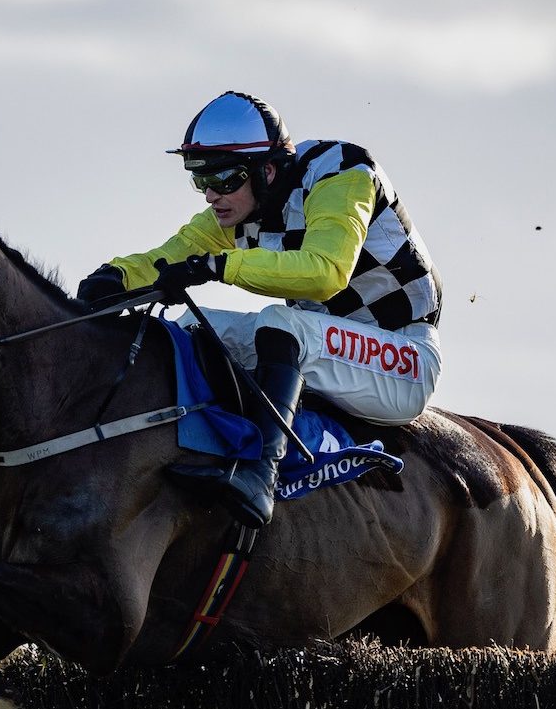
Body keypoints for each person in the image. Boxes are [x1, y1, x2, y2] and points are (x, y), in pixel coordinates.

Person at [77, 91, 443, 528]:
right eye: (200, 179)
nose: (210, 195)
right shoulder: (237, 209)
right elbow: (166, 258)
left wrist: (221, 266)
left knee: (280, 323)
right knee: (191, 325)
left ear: (267, 170)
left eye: (223, 178)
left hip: (404, 360)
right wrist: (115, 277)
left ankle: (260, 477)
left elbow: (326, 272)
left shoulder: (342, 172)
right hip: (325, 351)